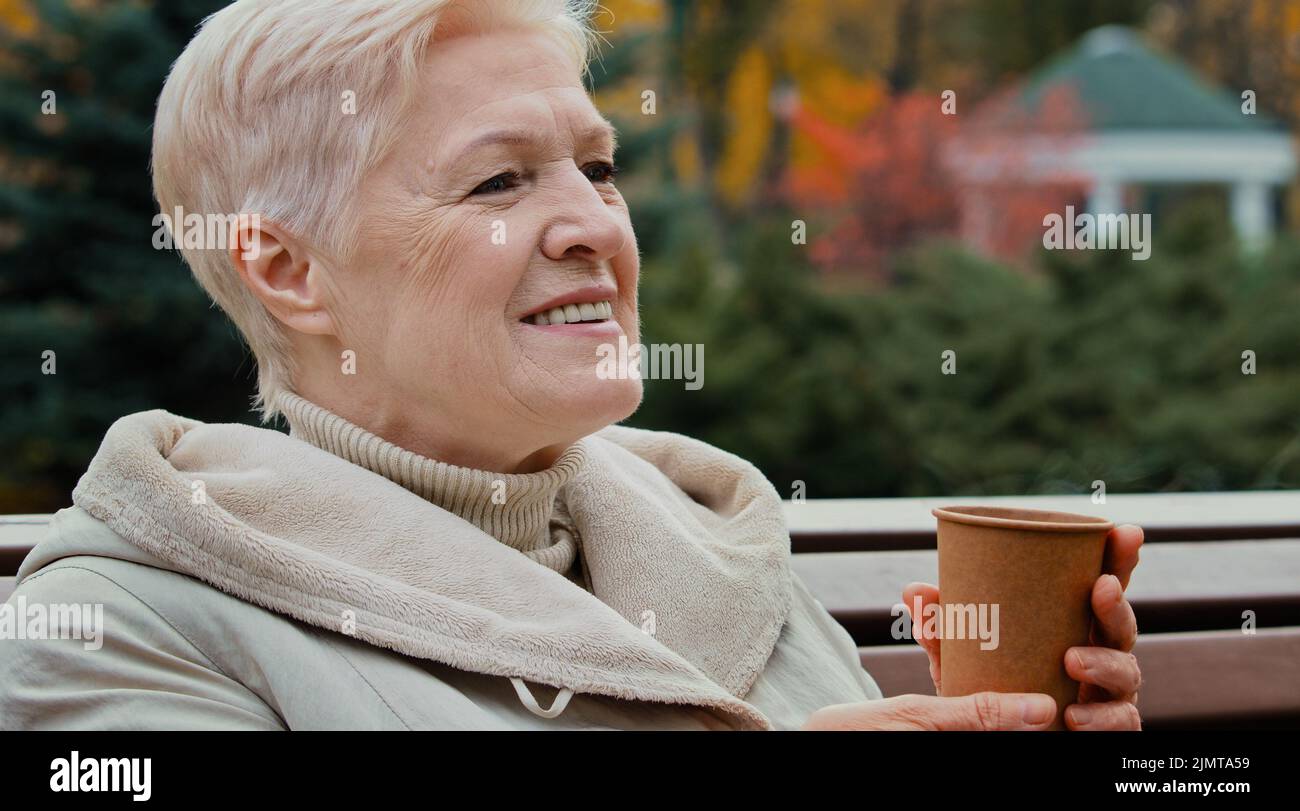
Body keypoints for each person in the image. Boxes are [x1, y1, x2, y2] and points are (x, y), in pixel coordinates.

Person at [0, 0, 1142, 730]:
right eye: (498, 182)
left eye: (595, 168)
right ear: (289, 267)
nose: (594, 224)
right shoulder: (121, 623)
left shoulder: (720, 546)